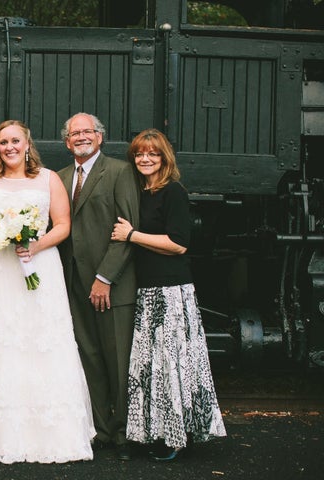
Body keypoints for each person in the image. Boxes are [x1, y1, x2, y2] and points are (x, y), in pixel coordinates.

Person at [0, 120, 96, 464]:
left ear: (27, 143)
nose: (9, 147)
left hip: (38, 267)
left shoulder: (48, 179)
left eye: (16, 141)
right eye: (3, 142)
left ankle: (45, 430)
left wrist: (35, 243)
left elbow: (63, 225)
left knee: (37, 340)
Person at [111, 128, 226, 461]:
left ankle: (176, 438)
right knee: (151, 368)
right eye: (139, 154)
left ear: (164, 158)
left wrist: (131, 235)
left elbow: (178, 243)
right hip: (148, 291)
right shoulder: (142, 192)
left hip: (171, 293)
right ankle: (153, 431)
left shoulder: (172, 192)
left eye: (153, 154)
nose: (145, 159)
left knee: (172, 365)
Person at [57, 113, 140, 461]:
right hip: (73, 282)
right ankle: (101, 430)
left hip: (111, 285)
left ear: (100, 137)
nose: (80, 137)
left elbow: (127, 229)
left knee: (117, 359)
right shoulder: (60, 178)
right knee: (89, 356)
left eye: (87, 131)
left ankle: (123, 434)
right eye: (74, 133)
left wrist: (105, 278)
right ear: (66, 141)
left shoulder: (120, 172)